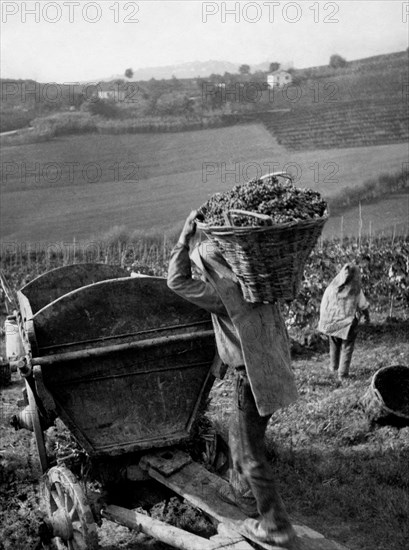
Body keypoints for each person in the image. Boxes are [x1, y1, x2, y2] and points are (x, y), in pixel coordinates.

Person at [167, 211, 299, 546]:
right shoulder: (260, 285)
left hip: (250, 378)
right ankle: (248, 500)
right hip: (273, 372)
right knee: (243, 442)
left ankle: (275, 525)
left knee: (248, 455)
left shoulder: (225, 297)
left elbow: (176, 281)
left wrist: (184, 238)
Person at [318, 263, 370, 381]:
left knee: (334, 344)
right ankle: (343, 374)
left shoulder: (332, 287)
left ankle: (333, 367)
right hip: (348, 323)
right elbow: (363, 305)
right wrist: (367, 317)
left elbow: (325, 304)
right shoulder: (355, 290)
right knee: (347, 347)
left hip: (331, 322)